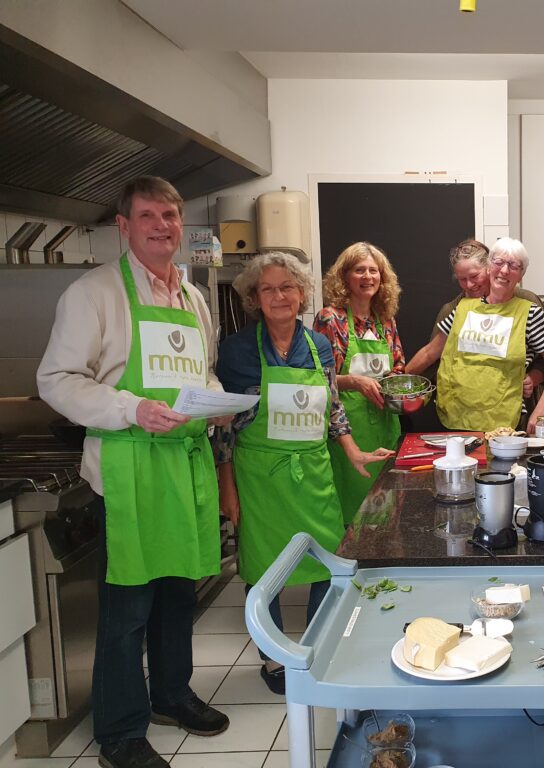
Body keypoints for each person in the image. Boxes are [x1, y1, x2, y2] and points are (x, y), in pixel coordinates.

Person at [37, 177, 229, 768]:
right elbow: (56, 380)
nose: (161, 226)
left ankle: (171, 694)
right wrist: (132, 408)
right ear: (124, 226)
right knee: (126, 612)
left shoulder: (193, 298)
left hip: (183, 467)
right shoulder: (93, 293)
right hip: (125, 472)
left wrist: (218, 401)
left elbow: (205, 371)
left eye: (170, 215)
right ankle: (120, 731)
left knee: (177, 595)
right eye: (147, 216)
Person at [214, 252, 391, 694]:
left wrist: (352, 451)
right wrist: (227, 484)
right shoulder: (236, 351)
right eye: (268, 289)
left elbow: (331, 406)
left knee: (327, 559)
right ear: (255, 298)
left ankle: (315, 642)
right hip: (261, 475)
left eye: (287, 287)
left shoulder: (319, 345)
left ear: (301, 293)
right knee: (263, 566)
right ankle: (275, 660)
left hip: (313, 470)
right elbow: (225, 425)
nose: (279, 296)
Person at [406, 237, 544, 434]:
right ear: (492, 266)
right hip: (458, 415)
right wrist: (400, 382)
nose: (469, 285)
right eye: (462, 280)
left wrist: (536, 389)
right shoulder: (458, 308)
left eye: (474, 276)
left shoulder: (528, 307)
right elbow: (431, 353)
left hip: (507, 415)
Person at [314, 242, 404, 523]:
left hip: (386, 426)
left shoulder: (385, 320)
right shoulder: (331, 319)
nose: (368, 277)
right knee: (354, 514)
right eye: (359, 270)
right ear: (344, 277)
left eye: (373, 271)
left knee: (387, 510)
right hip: (349, 434)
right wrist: (355, 382)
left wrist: (395, 384)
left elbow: (398, 365)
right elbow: (317, 381)